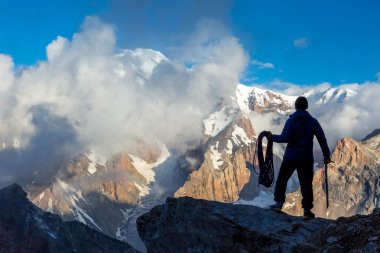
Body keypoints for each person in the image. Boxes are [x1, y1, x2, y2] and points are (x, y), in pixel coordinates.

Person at [266, 96, 331, 219]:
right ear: (306, 107)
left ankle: (278, 204)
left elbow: (284, 138)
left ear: (296, 107)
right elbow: (322, 139)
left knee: (282, 180)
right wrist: (326, 155)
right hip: (306, 158)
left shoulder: (291, 121)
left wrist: (271, 137)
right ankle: (307, 210)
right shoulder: (313, 121)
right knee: (306, 184)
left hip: (291, 156)